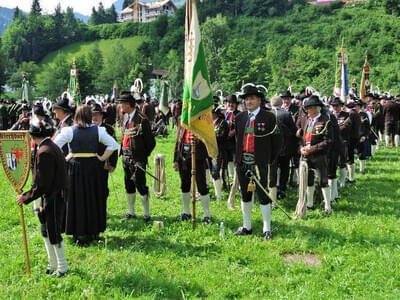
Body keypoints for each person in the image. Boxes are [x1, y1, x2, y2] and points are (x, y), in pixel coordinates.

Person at [54, 105, 119, 244]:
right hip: (93, 168)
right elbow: (113, 145)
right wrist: (101, 158)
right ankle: (93, 232)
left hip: (75, 168)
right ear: (89, 115)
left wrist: (65, 158)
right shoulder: (99, 131)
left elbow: (54, 146)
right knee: (93, 198)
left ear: (76, 115)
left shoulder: (69, 131)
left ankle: (78, 233)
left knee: (76, 199)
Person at [16, 119, 68, 277]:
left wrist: (25, 198)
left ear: (33, 135)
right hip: (51, 195)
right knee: (45, 230)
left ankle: (62, 267)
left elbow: (42, 184)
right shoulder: (49, 146)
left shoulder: (44, 151)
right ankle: (52, 263)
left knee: (53, 231)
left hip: (53, 196)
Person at [234, 85, 282, 241]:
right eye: (246, 99)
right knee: (245, 194)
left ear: (259, 100)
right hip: (243, 162)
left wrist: (269, 160)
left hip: (261, 163)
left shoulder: (269, 117)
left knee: (263, 195)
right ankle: (247, 226)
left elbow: (278, 142)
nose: (249, 101)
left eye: (252, 98)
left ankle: (266, 228)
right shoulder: (239, 118)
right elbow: (237, 140)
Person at [118, 92, 156, 222]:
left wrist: (142, 156)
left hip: (137, 159)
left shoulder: (142, 119)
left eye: (122, 104)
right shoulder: (125, 117)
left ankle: (146, 214)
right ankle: (131, 211)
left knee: (141, 185)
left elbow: (151, 142)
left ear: (128, 105)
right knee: (128, 185)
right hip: (125, 157)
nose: (120, 106)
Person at [297, 95, 333, 214]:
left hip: (319, 155)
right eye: (306, 109)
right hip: (306, 154)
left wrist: (312, 148)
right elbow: (301, 137)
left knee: (323, 180)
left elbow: (328, 141)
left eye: (310, 108)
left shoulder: (326, 121)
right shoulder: (307, 121)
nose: (308, 111)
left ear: (317, 108)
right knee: (309, 180)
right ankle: (310, 204)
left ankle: (327, 206)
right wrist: (301, 148)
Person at [173, 119, 213, 224]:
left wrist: (198, 141)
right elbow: (178, 141)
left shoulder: (202, 122)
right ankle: (186, 212)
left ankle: (206, 215)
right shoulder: (183, 120)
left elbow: (209, 141)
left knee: (202, 186)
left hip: (198, 157)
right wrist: (176, 159)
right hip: (184, 158)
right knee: (184, 185)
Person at [91, 103, 118, 215]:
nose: (95, 117)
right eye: (92, 115)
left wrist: (112, 164)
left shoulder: (109, 129)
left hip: (103, 164)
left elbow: (115, 148)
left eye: (97, 114)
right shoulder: (87, 129)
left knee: (102, 188)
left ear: (102, 116)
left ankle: (102, 210)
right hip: (89, 164)